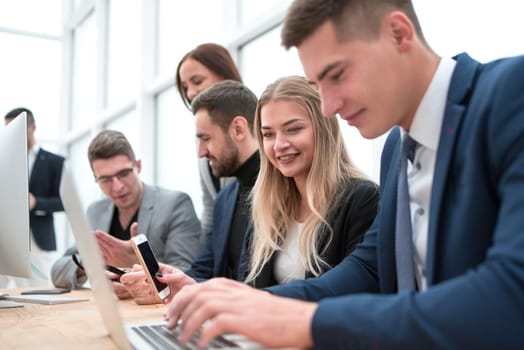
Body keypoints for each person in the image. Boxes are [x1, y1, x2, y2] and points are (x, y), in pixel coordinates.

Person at [162, 0, 524, 349]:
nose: (329, 106)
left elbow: (512, 291)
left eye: (337, 74)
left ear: (398, 34)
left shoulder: (511, 94)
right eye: (318, 86)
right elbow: (368, 268)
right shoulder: (396, 149)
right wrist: (245, 302)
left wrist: (310, 323)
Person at [121, 80, 259, 304]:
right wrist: (162, 284)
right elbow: (202, 271)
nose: (201, 152)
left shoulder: (283, 190)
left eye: (206, 138)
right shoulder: (226, 198)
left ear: (238, 129)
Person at [244, 75, 378, 287]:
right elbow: (248, 292)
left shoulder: (362, 199)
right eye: (268, 134)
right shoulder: (268, 208)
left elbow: (354, 290)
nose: (279, 145)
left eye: (293, 129)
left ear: (323, 128)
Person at [51, 130, 202, 297]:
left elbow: (185, 273)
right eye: (105, 179)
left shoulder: (175, 204)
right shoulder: (96, 211)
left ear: (138, 166)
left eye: (123, 174)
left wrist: (138, 262)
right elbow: (58, 272)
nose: (117, 187)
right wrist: (91, 261)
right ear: (95, 179)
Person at [176, 43, 242, 236]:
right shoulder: (201, 139)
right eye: (185, 87)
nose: (190, 93)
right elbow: (210, 210)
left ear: (225, 75)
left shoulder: (258, 127)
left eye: (197, 81)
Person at [1, 107, 64, 287]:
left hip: (38, 237)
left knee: (38, 288)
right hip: (5, 236)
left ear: (33, 128)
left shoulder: (54, 162)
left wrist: (37, 203)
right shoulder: (2, 161)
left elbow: (64, 202)